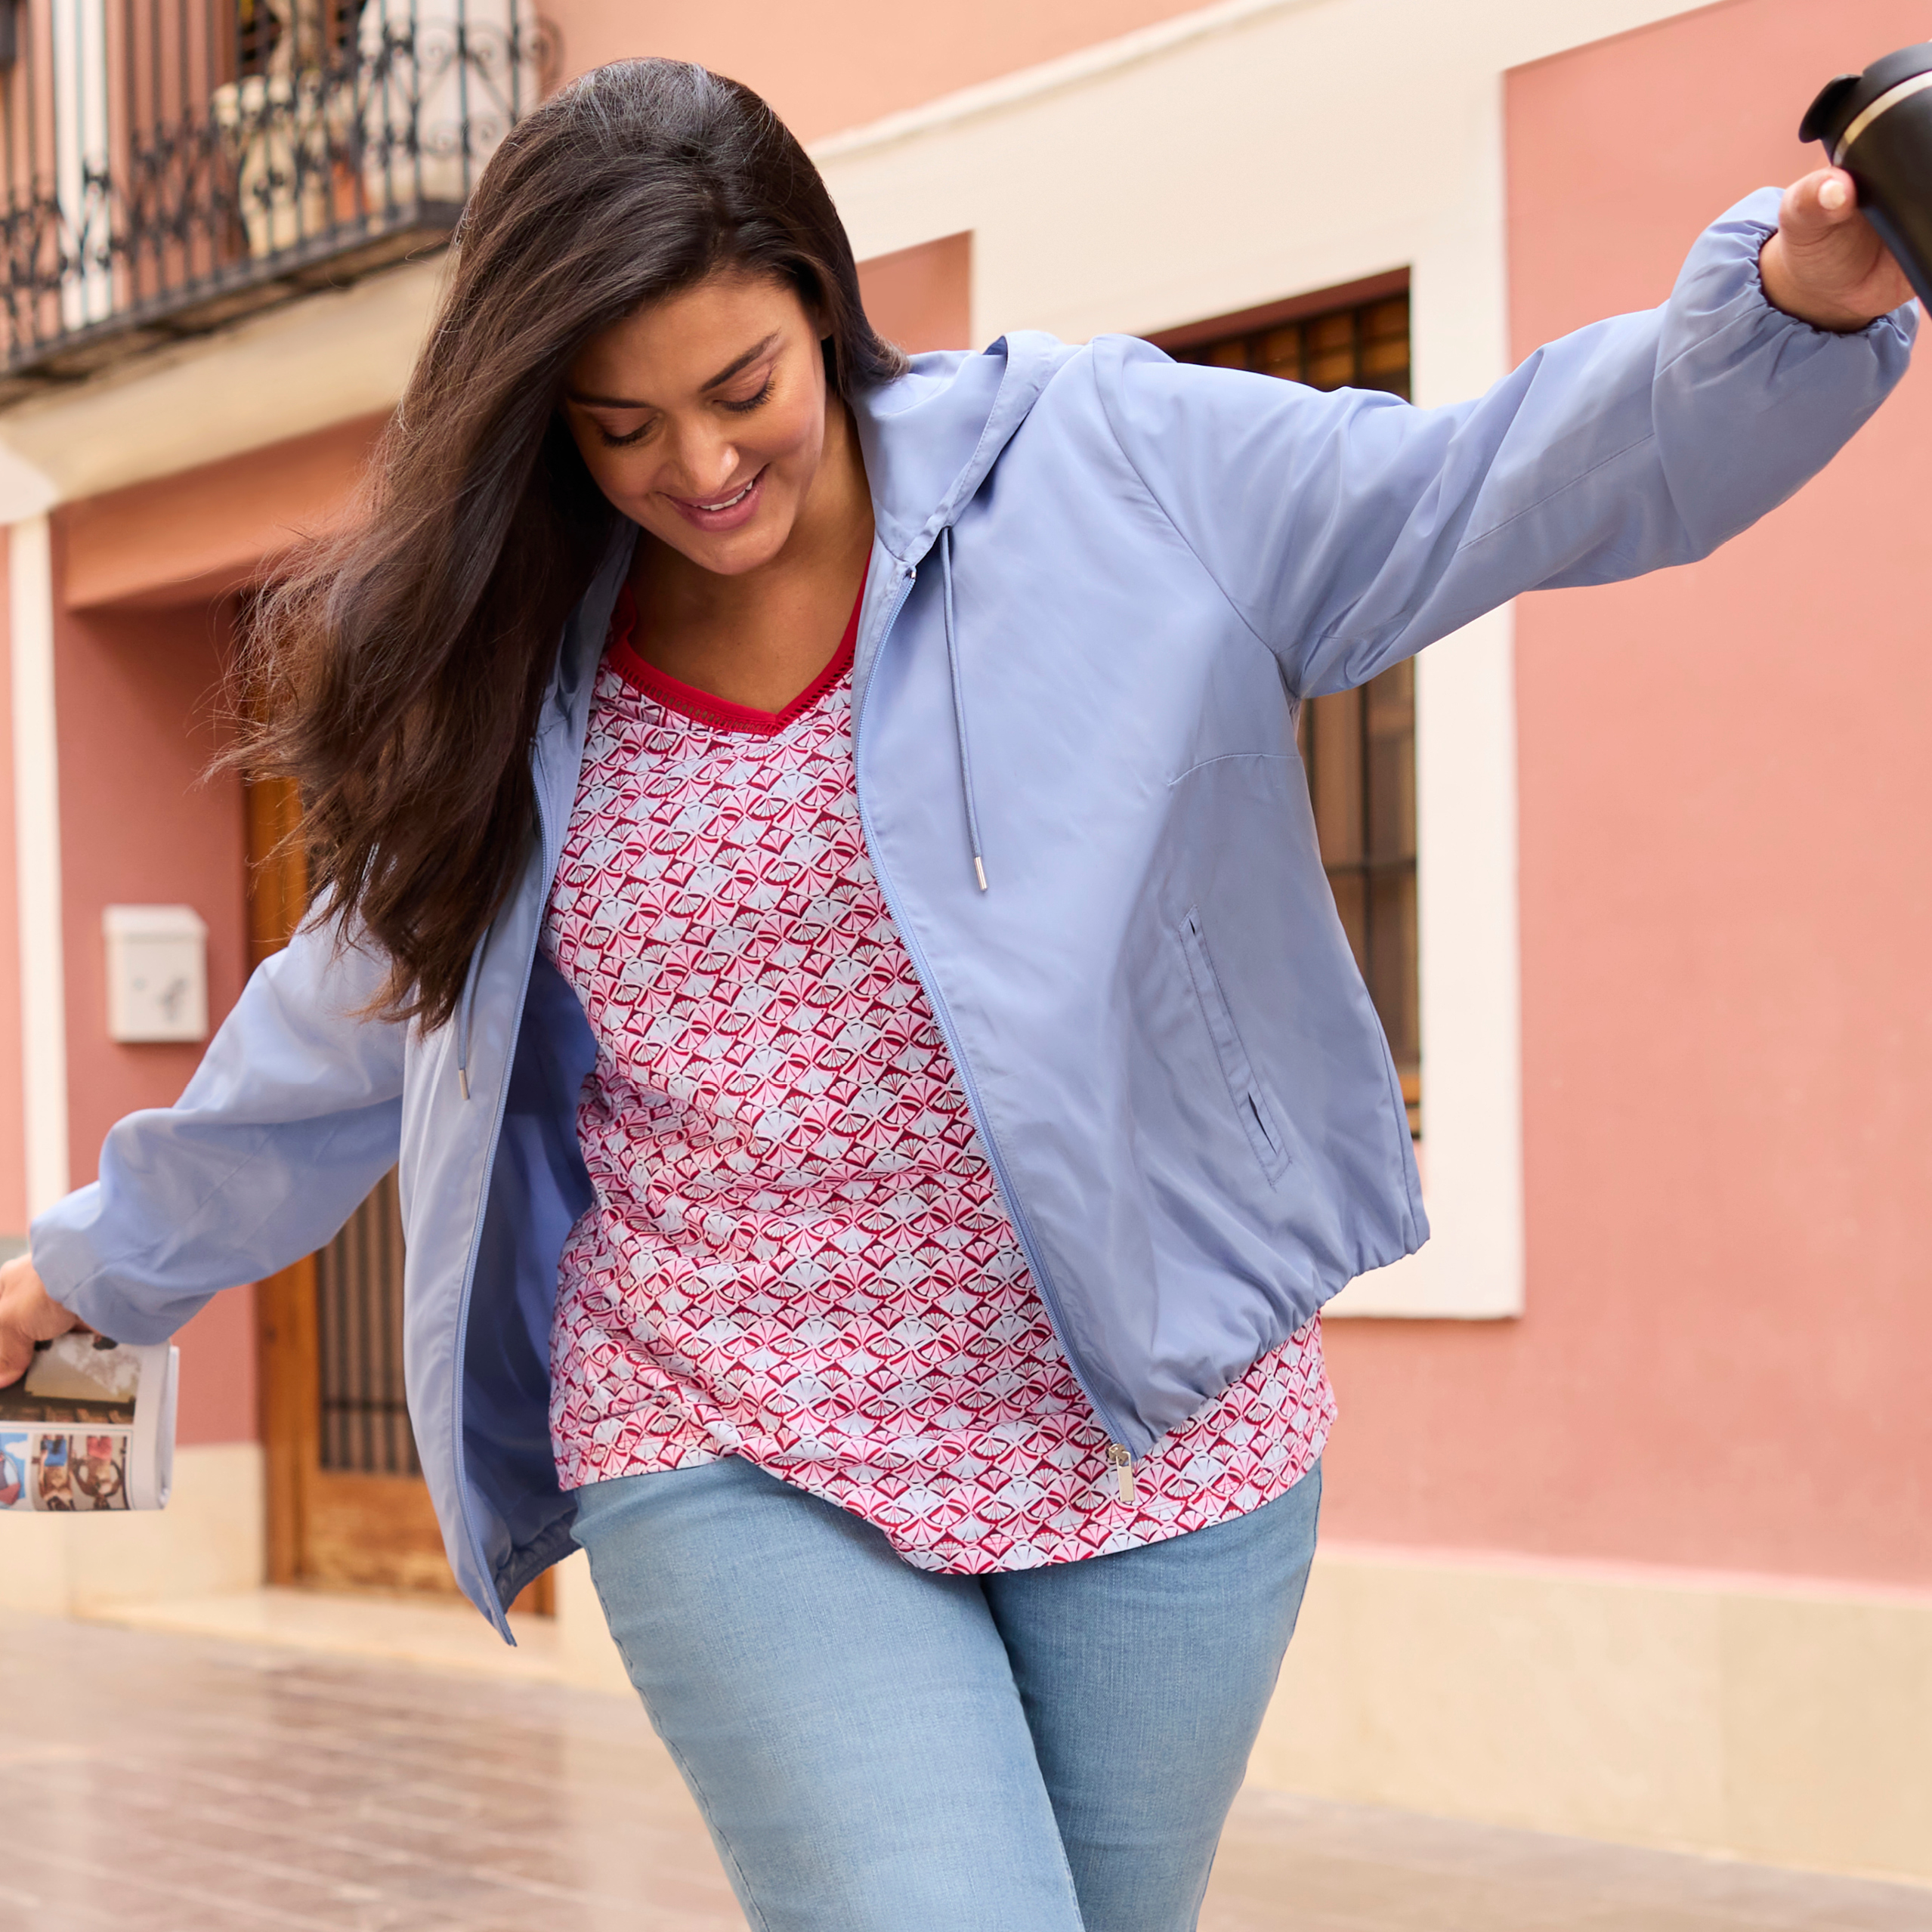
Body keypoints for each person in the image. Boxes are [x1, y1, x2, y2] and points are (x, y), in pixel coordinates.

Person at [0, 57, 1913, 1932]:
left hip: (1158, 1422)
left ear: (823, 309)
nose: (698, 465)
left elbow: (1483, 483)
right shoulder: (512, 667)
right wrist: (87, 1268)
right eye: (618, 425)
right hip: (729, 1423)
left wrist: (1772, 313)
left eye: (739, 388)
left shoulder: (1108, 463)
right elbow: (336, 1029)